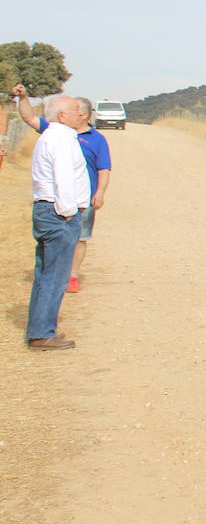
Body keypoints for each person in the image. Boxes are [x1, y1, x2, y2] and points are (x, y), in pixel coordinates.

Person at [12, 87, 112, 293]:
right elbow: (29, 118)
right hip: (57, 201)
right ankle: (53, 278)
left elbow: (104, 168)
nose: (75, 112)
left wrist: (100, 192)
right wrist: (22, 98)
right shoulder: (55, 130)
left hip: (84, 199)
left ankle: (72, 275)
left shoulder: (97, 139)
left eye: (76, 109)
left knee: (81, 237)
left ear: (83, 115)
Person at [26, 96, 89, 350]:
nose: (81, 114)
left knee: (46, 275)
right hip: (58, 214)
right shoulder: (61, 139)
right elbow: (63, 178)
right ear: (62, 115)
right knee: (54, 276)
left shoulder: (53, 137)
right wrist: (67, 212)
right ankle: (42, 332)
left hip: (48, 211)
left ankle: (41, 329)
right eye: (75, 110)